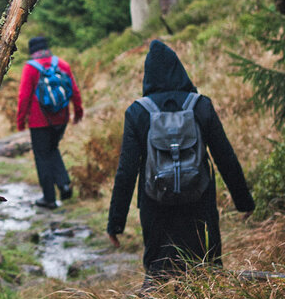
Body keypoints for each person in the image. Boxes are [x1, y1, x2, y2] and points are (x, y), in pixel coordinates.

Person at [107, 40, 254, 279]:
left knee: (160, 274)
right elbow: (225, 157)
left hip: (156, 207)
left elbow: (126, 171)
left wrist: (115, 224)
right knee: (207, 272)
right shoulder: (201, 107)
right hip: (200, 204)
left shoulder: (138, 112)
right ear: (180, 70)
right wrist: (244, 202)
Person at [17, 35, 84, 209]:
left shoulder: (30, 68)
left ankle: (49, 198)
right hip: (61, 119)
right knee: (53, 149)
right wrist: (78, 111)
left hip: (39, 122)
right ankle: (64, 184)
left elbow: (24, 96)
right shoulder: (62, 64)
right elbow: (74, 90)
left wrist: (20, 121)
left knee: (42, 156)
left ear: (33, 52)